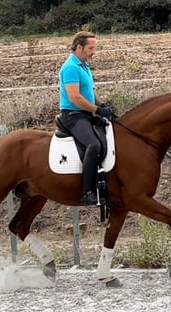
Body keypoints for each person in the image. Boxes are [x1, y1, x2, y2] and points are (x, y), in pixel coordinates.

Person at [58, 31, 113, 206]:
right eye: (91, 48)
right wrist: (96, 109)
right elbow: (75, 98)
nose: (94, 51)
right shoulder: (70, 67)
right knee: (94, 144)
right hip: (73, 116)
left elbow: (89, 91)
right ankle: (88, 191)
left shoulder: (84, 66)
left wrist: (103, 105)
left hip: (86, 113)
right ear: (79, 47)